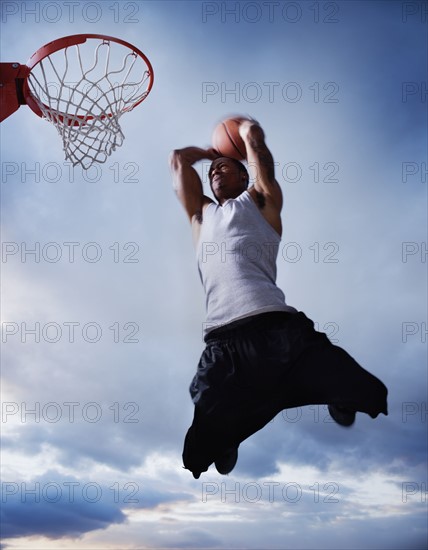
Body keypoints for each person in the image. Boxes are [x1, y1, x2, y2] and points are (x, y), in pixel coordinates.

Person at [169, 118, 388, 479]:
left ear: (245, 179)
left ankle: (337, 394)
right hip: (224, 343)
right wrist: (210, 154)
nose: (216, 172)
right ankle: (227, 438)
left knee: (364, 389)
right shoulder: (201, 217)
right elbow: (178, 160)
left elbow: (256, 148)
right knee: (198, 450)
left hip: (278, 330)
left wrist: (248, 133)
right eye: (212, 172)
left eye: (227, 167)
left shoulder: (261, 204)